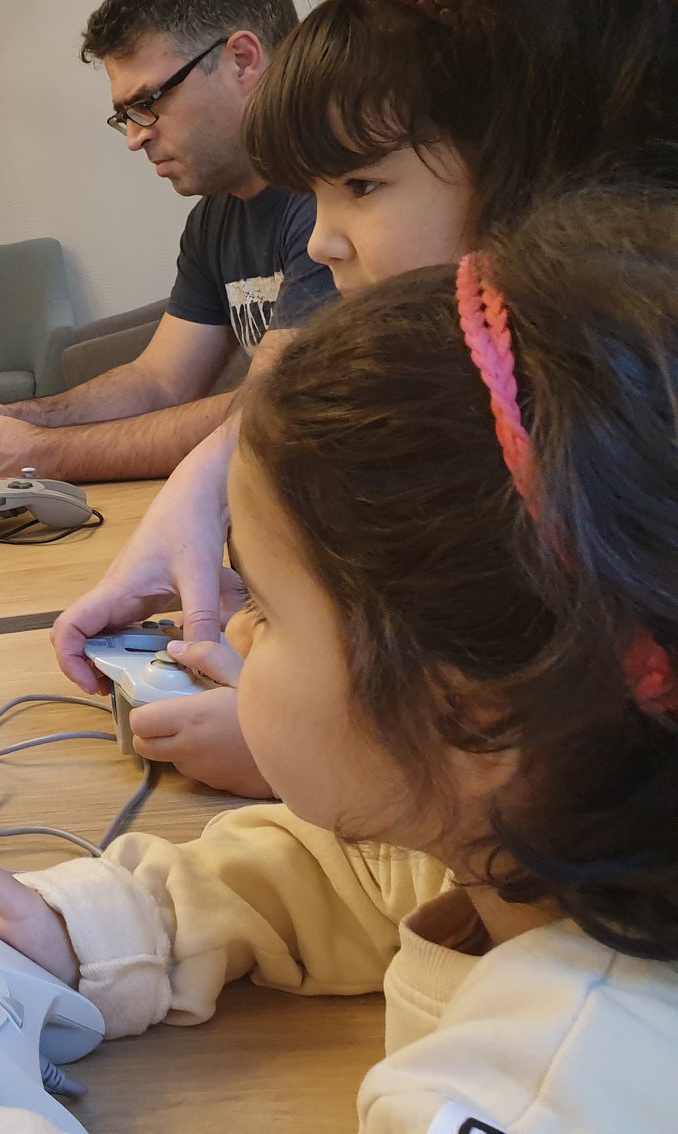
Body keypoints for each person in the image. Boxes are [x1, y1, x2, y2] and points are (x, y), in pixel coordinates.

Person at [0, 188, 678, 1134]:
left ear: (474, 715)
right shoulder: (537, 836)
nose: (236, 635)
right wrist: (92, 931)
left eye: (265, 604)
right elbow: (354, 878)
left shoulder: (548, 1087)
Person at [51, 0, 678, 797]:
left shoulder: (565, 423)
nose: (320, 241)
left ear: (509, 164)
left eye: (360, 185)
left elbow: (560, 766)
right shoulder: (475, 375)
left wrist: (303, 749)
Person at [0, 0, 334, 484]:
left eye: (148, 102)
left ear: (242, 61)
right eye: (126, 115)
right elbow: (159, 381)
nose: (134, 138)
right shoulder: (215, 220)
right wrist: (19, 418)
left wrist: (37, 452)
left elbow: (273, 411)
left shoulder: (334, 199)